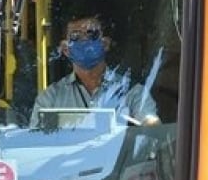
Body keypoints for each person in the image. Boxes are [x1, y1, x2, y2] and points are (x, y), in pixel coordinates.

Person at [29, 14, 158, 128]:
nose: (85, 40)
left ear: (105, 44)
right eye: (76, 36)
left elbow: (151, 125)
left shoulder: (133, 93)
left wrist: (150, 125)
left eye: (92, 34)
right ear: (65, 49)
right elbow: (34, 146)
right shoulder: (50, 99)